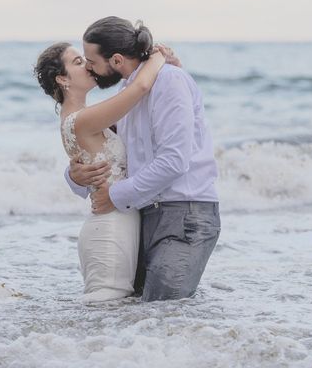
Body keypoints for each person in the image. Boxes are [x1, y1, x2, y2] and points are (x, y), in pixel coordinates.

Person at [66, 16, 220, 302]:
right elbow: (106, 150)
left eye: (91, 60)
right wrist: (74, 176)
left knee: (163, 308)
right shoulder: (129, 94)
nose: (89, 68)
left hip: (186, 213)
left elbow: (174, 160)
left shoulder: (170, 81)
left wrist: (115, 195)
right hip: (143, 213)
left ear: (116, 60)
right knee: (131, 307)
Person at [34, 40, 165, 302]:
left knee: (108, 323)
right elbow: (140, 87)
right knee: (105, 311)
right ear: (62, 79)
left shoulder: (83, 116)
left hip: (116, 223)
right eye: (78, 62)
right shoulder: (82, 119)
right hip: (109, 229)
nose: (88, 64)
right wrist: (158, 56)